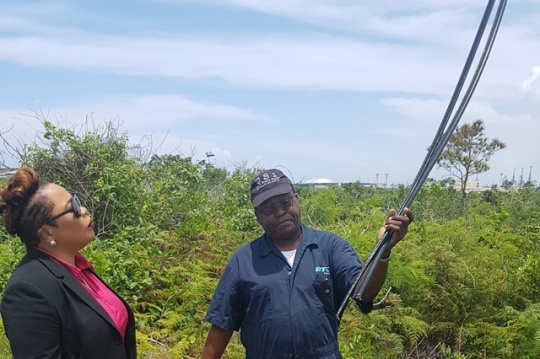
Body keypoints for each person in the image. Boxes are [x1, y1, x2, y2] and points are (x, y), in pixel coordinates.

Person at [202, 169, 413, 359]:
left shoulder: (330, 247)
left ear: (297, 200)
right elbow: (222, 325)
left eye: (285, 202)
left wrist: (382, 252)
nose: (280, 211)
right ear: (257, 217)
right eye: (268, 208)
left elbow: (364, 293)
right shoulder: (243, 260)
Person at [0, 167, 137, 358]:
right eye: (72, 208)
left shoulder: (80, 268)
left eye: (77, 201)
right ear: (47, 232)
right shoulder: (27, 291)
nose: (83, 209)